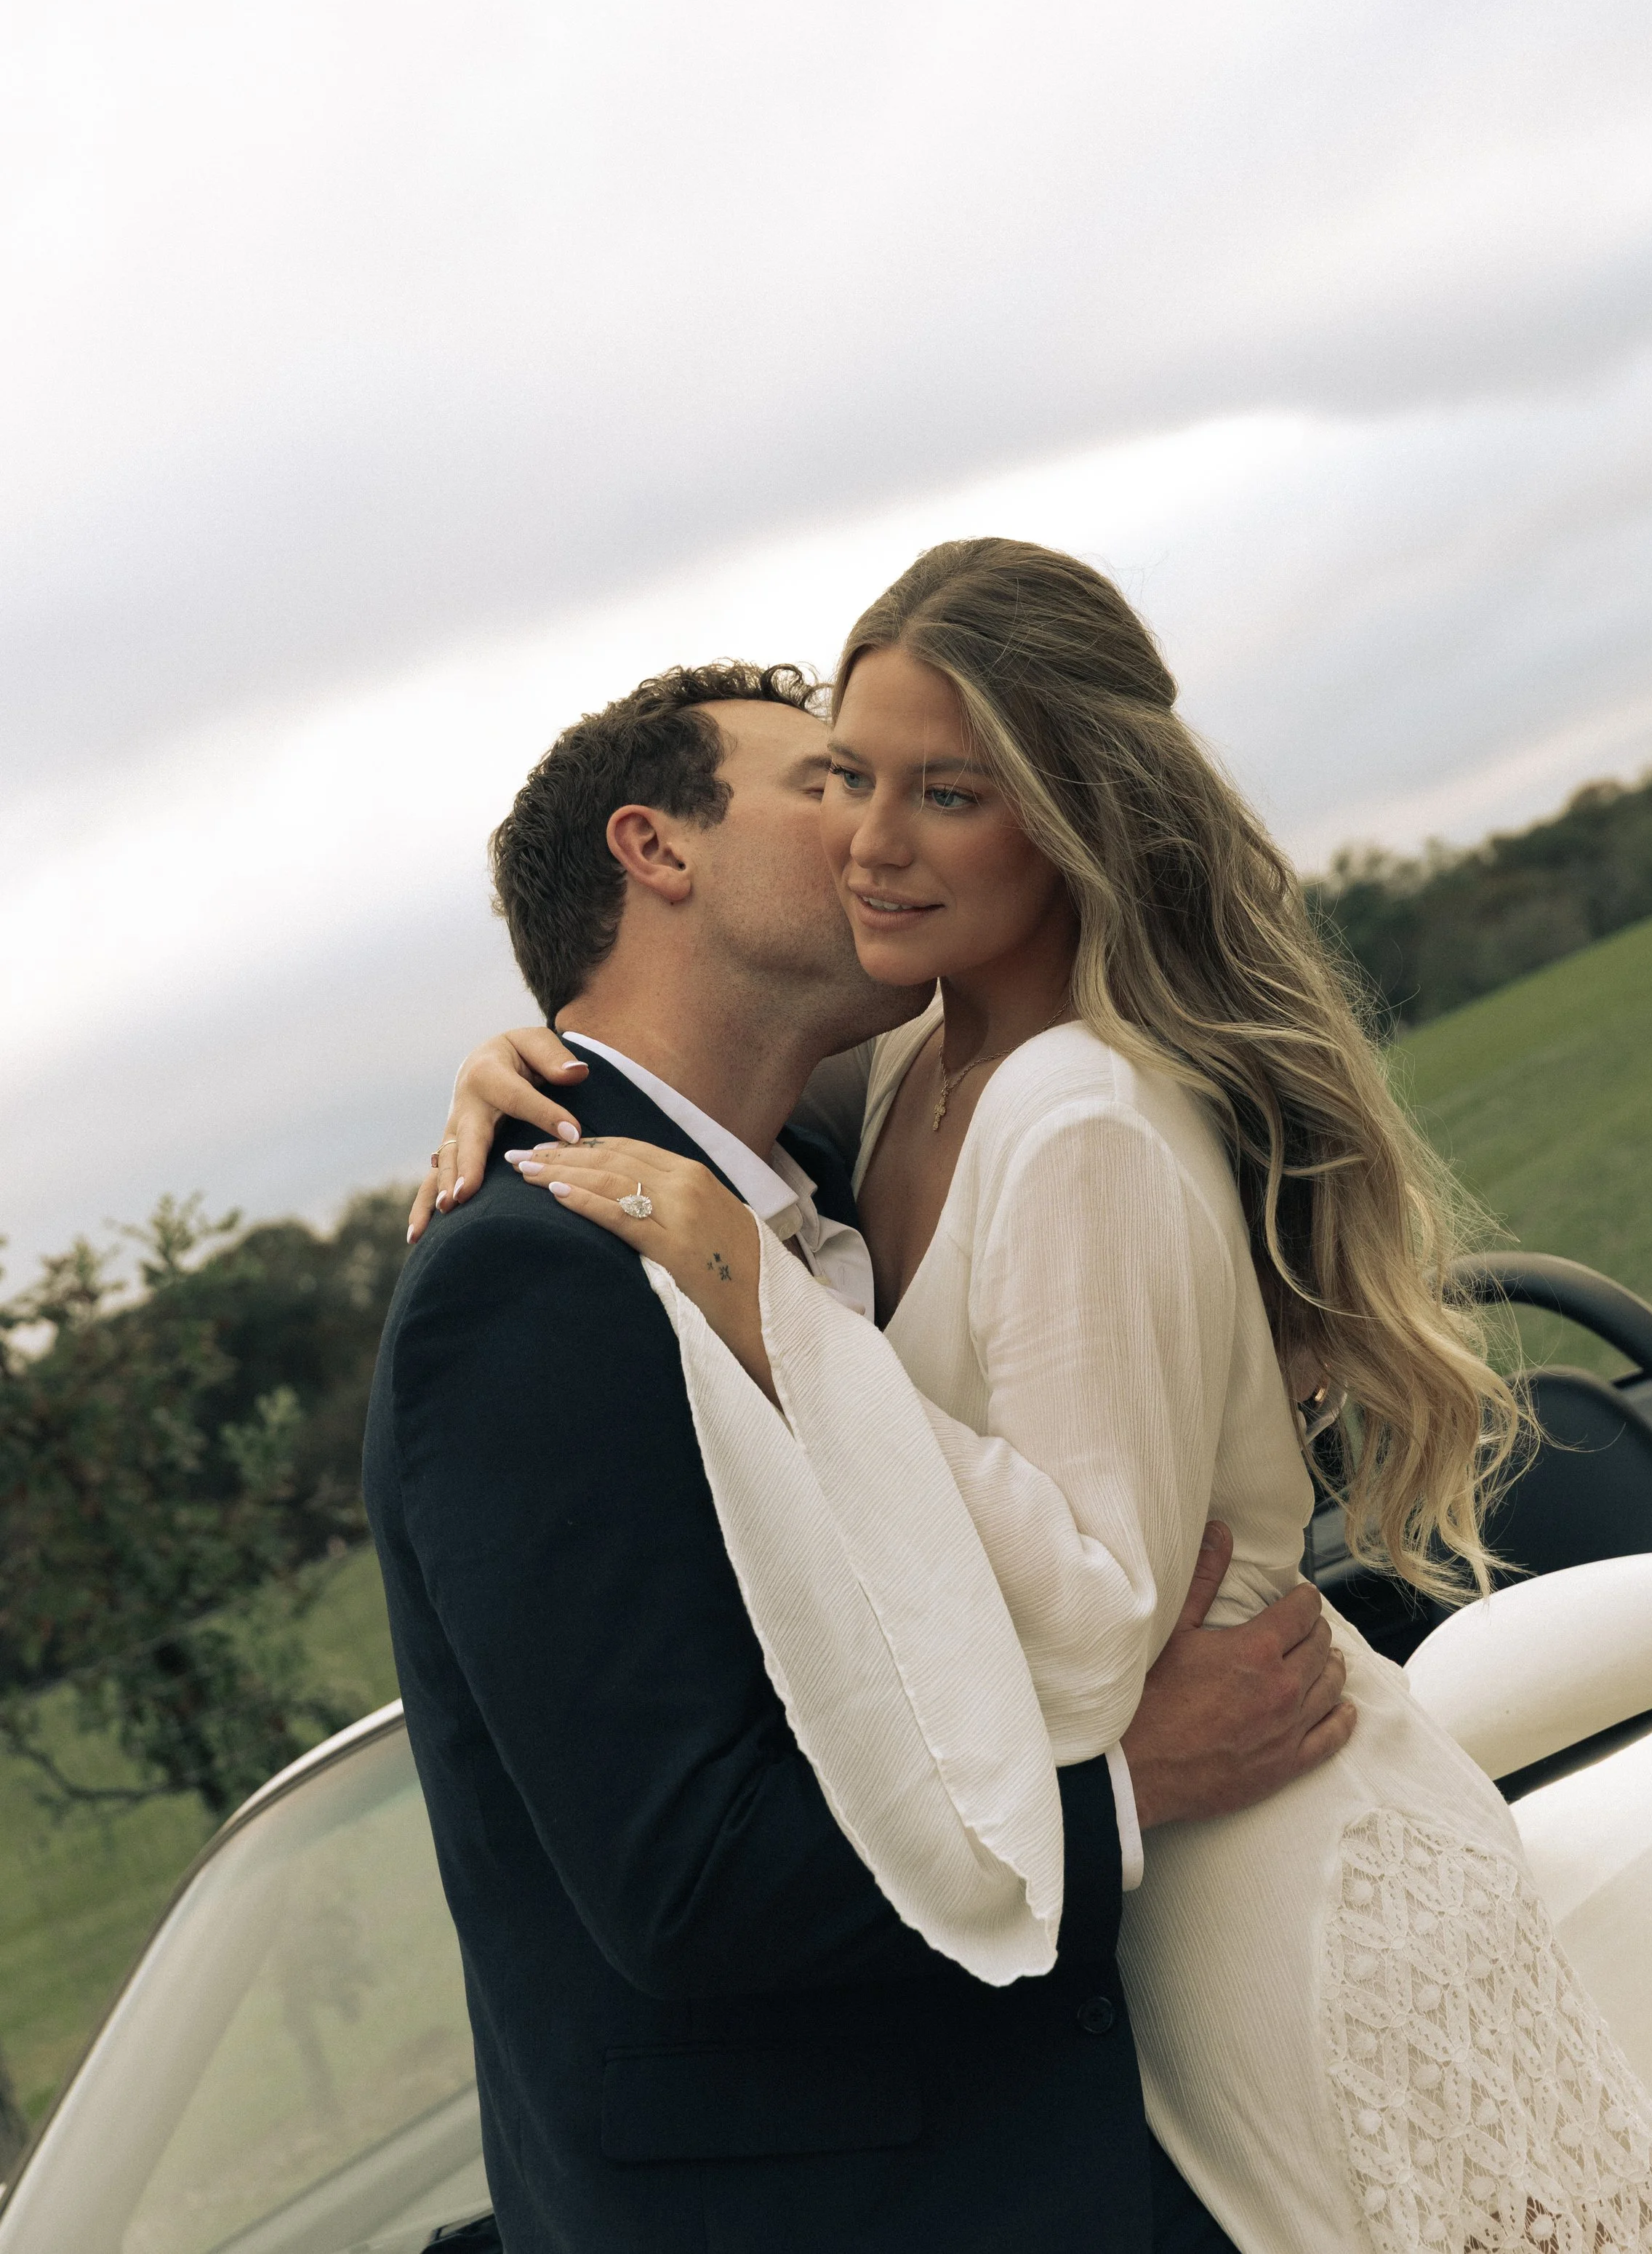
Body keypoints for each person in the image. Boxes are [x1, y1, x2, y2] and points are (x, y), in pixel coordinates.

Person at [428, 543, 1652, 2253]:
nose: (870, 836)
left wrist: (779, 1325)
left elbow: (1103, 1622)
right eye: (845, 778)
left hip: (1283, 1901)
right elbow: (694, 1076)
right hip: (1128, 1957)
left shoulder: (1074, 1117)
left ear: (1061, 815)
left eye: (942, 790)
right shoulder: (901, 1082)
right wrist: (523, 1071)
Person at [365, 660, 1355, 2254]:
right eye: (827, 781)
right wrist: (1129, 1784)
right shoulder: (522, 1285)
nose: (878, 832)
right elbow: (683, 1877)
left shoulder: (838, 1163)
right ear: (655, 847)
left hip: (1100, 2147)